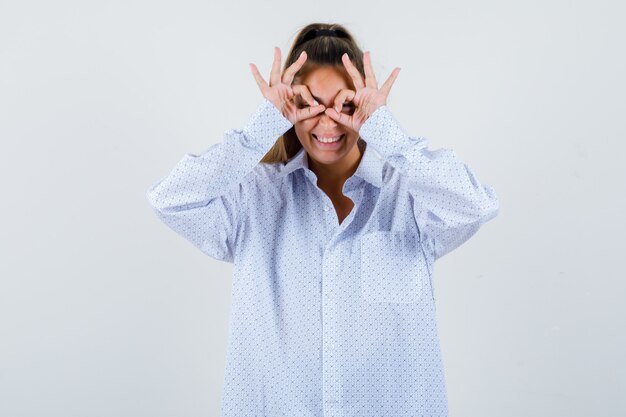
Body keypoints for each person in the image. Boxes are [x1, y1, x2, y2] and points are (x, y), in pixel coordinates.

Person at [146, 22, 499, 417]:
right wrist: (258, 130)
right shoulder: (255, 195)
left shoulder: (410, 195)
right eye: (309, 104)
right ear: (288, 109)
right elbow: (170, 200)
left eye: (346, 106)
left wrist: (388, 133)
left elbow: (475, 206)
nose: (329, 123)